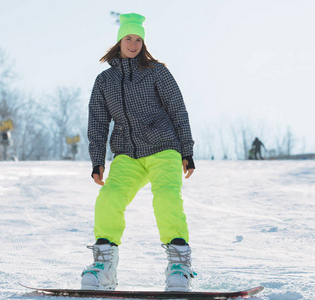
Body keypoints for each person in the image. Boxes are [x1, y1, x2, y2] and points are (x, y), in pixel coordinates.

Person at [82, 13, 196, 292]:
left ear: (144, 43)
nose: (133, 44)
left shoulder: (157, 72)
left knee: (167, 197)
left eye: (138, 39)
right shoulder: (105, 81)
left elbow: (177, 109)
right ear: (119, 40)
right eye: (128, 38)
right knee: (109, 197)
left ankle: (179, 265)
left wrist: (187, 150)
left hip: (163, 148)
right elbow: (97, 121)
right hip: (127, 154)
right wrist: (98, 160)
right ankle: (105, 267)